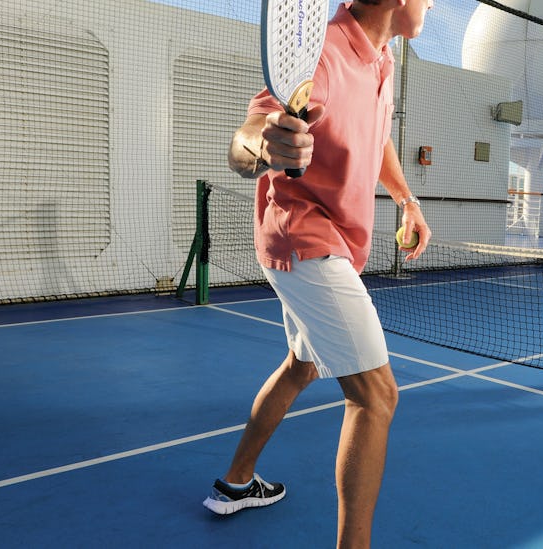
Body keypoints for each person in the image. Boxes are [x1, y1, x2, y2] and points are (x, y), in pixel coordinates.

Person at [202, 1, 433, 547]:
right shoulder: (323, 54)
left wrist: (407, 199)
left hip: (332, 244)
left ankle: (235, 484)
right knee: (377, 396)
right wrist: (266, 144)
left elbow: (376, 138)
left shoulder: (383, 59)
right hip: (305, 239)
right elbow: (247, 138)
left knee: (302, 366)